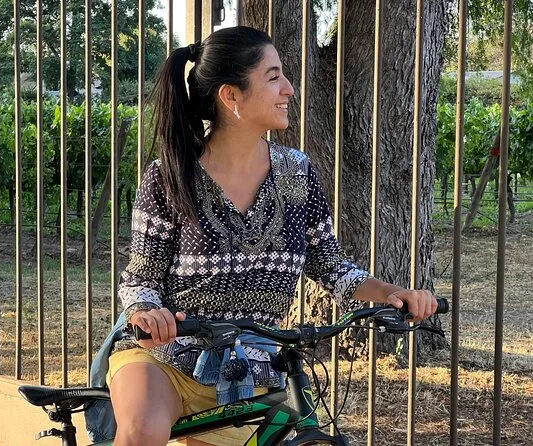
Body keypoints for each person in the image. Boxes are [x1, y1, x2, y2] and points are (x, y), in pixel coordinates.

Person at [106, 26, 437, 446]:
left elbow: (331, 266)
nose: (289, 89)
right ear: (231, 96)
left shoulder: (297, 173)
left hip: (252, 370)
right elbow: (141, 279)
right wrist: (146, 313)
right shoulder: (169, 176)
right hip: (164, 360)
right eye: (274, 76)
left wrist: (394, 293)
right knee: (143, 431)